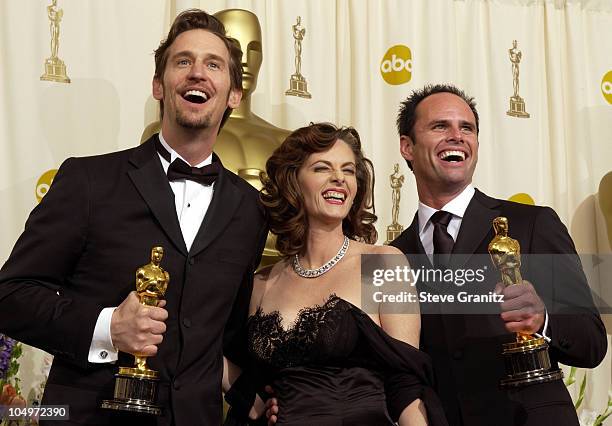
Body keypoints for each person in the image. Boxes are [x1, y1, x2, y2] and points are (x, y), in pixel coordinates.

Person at [0, 9, 267, 426]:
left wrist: (270, 394)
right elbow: (11, 295)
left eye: (213, 65)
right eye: (183, 61)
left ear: (234, 92)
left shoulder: (251, 209)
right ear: (159, 85)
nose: (198, 73)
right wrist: (107, 327)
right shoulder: (89, 180)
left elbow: (231, 336)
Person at [390, 84, 607, 425]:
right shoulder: (392, 256)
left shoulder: (533, 223)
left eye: (467, 128)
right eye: (440, 126)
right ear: (407, 146)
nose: (457, 136)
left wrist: (543, 318)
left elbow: (591, 343)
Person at [224, 123, 448, 425]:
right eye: (321, 168)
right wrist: (251, 401)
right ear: (293, 181)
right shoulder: (263, 282)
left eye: (348, 170)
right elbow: (228, 366)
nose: (339, 179)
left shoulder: (382, 264)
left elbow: (405, 386)